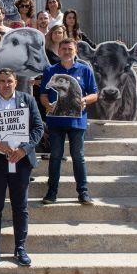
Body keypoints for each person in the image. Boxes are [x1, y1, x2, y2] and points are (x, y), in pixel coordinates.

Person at [0, 68, 43, 267]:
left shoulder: (27, 100)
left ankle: (20, 247)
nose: (6, 84)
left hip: (21, 162)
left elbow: (38, 128)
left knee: (20, 207)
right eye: (2, 81)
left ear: (15, 82)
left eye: (9, 81)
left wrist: (25, 148)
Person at [40, 38, 98, 206]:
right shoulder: (50, 70)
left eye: (69, 49)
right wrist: (47, 104)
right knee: (56, 156)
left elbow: (95, 94)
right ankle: (52, 192)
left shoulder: (85, 70)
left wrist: (85, 100)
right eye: (63, 49)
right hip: (55, 121)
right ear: (59, 51)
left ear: (75, 51)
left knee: (78, 156)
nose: (66, 51)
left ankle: (83, 192)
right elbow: (43, 94)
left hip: (77, 121)